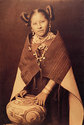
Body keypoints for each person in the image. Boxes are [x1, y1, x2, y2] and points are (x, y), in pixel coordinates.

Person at [7, 5, 83, 125]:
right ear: (30, 26)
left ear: (49, 21)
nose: (39, 26)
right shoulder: (30, 42)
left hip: (53, 91)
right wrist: (25, 89)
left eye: (42, 21)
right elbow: (26, 69)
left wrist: (45, 92)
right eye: (35, 23)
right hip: (34, 89)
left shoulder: (56, 41)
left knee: (53, 119)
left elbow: (60, 69)